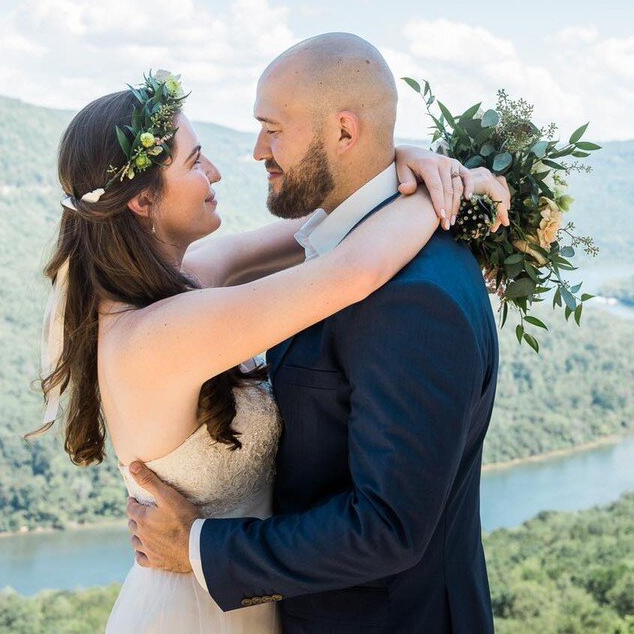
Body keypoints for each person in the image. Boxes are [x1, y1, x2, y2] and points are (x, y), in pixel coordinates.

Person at [35, 54, 509, 632]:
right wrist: (463, 192)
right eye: (194, 161)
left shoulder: (187, 278)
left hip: (249, 592)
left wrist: (402, 165)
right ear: (142, 200)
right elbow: (353, 269)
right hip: (198, 604)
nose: (217, 172)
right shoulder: (155, 335)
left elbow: (318, 225)